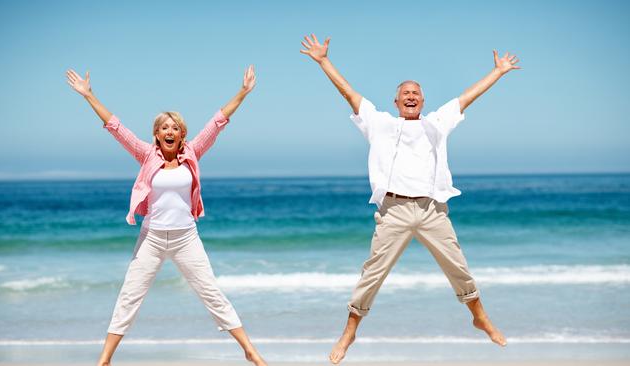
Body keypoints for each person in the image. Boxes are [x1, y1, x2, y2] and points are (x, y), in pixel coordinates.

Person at [300, 34, 518, 364]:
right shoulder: (380, 124)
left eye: (416, 93)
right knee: (372, 273)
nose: (411, 96)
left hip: (432, 210)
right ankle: (349, 332)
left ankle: (480, 317)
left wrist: (498, 72)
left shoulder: (436, 124)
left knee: (458, 267)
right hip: (394, 210)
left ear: (423, 101)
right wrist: (323, 61)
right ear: (397, 102)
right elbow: (349, 93)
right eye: (406, 93)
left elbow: (466, 99)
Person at [65, 66, 267, 366]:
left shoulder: (193, 153)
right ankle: (104, 360)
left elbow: (218, 122)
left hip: (186, 238)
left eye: (175, 128)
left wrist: (243, 92)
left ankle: (250, 352)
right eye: (164, 128)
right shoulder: (146, 155)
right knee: (130, 296)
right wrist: (88, 95)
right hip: (152, 238)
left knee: (211, 293)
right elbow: (115, 127)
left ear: (182, 134)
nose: (169, 131)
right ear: (156, 135)